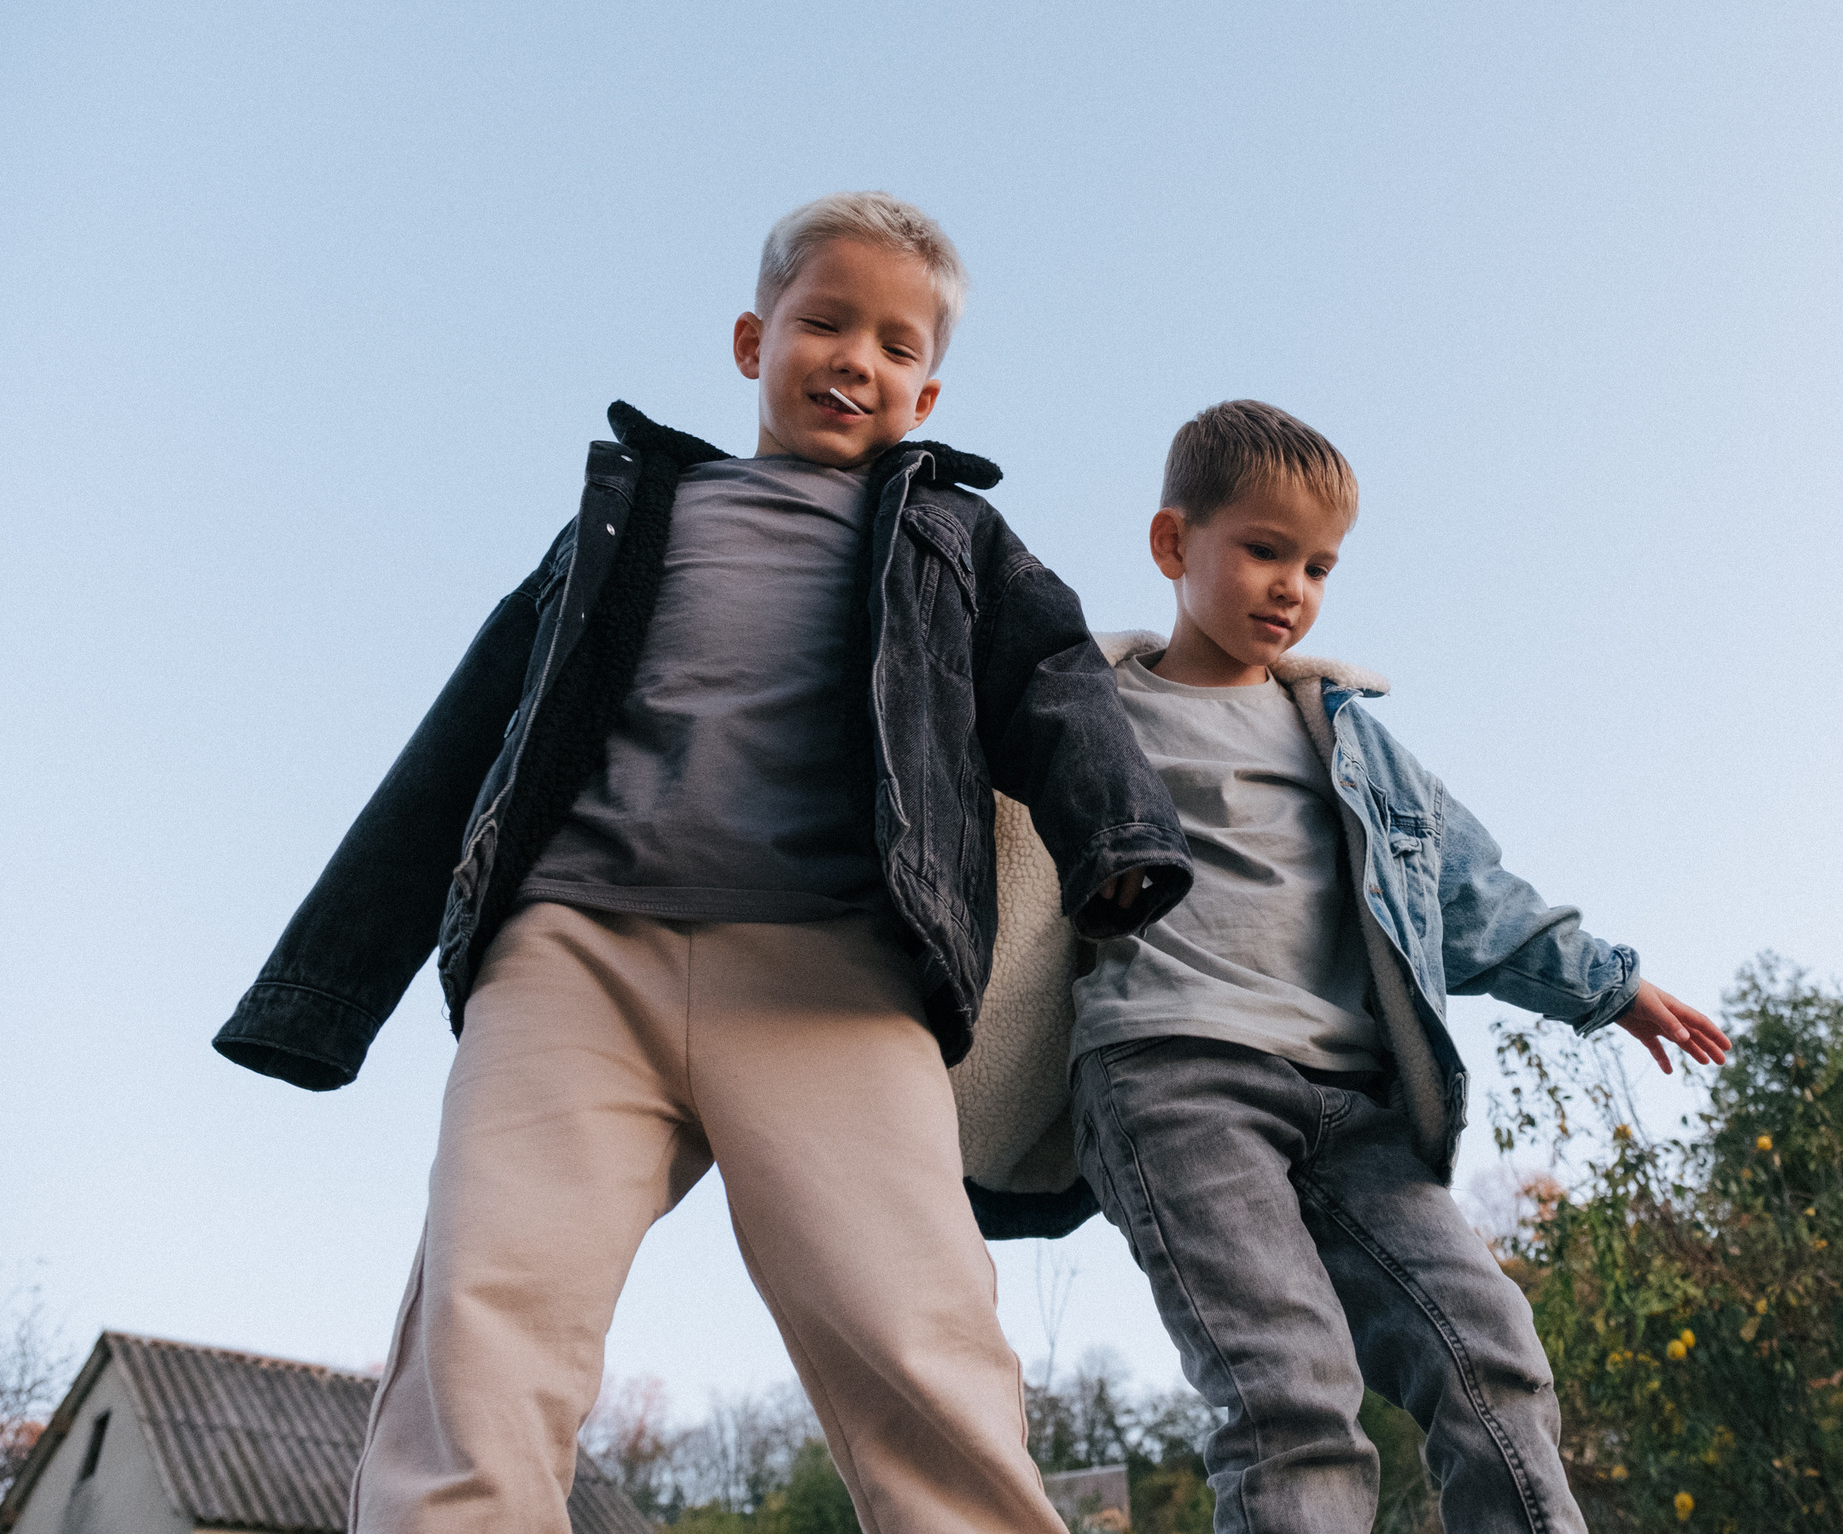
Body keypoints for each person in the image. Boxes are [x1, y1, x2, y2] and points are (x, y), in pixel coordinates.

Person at [212, 192, 1191, 1534]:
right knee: (484, 1319)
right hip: (571, 960)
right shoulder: (622, 524)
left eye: (898, 345)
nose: (858, 358)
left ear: (930, 386)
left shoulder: (953, 536)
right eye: (826, 321)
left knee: (915, 1330)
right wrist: (324, 990)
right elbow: (462, 740)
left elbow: (1057, 683)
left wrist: (1117, 840)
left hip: (834, 971)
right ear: (753, 338)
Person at [965, 399, 1734, 1532]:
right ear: (1174, 546)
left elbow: (1466, 893)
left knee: (1491, 1349)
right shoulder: (1089, 707)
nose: (1293, 587)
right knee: (1291, 1392)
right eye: (1264, 551)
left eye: (1318, 565)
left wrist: (1609, 985)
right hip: (1172, 1076)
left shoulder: (1347, 737)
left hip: (1351, 1100)